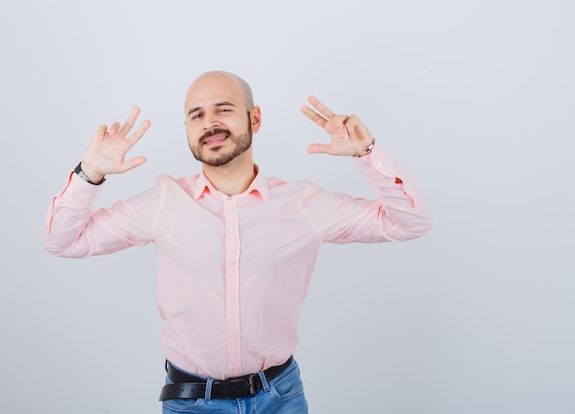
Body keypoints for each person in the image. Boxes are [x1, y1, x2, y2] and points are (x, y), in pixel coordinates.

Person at [43, 71, 432, 413]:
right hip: (190, 402)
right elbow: (63, 241)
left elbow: (409, 222)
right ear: (187, 129)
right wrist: (89, 172)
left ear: (255, 118)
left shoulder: (302, 204)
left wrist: (368, 154)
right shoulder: (163, 202)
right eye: (197, 114)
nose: (209, 123)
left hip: (281, 397)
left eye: (223, 109)